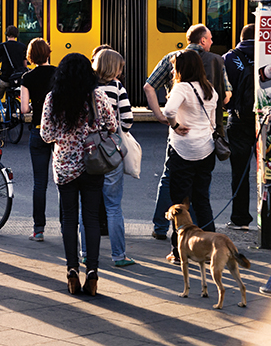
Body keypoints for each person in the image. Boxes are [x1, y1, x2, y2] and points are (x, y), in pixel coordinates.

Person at [144, 24, 231, 240]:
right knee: (202, 195)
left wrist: (166, 120)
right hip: (206, 144)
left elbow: (151, 88)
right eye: (210, 38)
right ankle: (206, 238)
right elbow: (226, 95)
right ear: (203, 40)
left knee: (174, 187)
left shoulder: (174, 62)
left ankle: (167, 233)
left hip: (182, 143)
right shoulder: (217, 63)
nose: (211, 42)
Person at [41, 53, 118, 296]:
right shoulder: (99, 96)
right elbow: (112, 126)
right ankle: (93, 272)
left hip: (65, 167)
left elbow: (46, 135)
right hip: (93, 164)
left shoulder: (53, 99)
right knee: (92, 219)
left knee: (68, 219)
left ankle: (72, 271)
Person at [79, 49, 136, 267]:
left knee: (87, 207)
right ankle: (119, 255)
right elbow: (128, 121)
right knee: (113, 206)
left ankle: (85, 252)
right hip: (110, 151)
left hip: (88, 151)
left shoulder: (85, 86)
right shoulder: (117, 88)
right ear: (115, 67)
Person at [162, 50, 218, 264]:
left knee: (179, 203)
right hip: (206, 149)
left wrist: (176, 125)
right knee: (202, 199)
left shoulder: (182, 87)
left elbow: (168, 110)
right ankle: (212, 247)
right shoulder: (210, 89)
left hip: (183, 150)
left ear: (181, 69)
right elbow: (211, 120)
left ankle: (178, 252)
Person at [19, 38, 56, 242]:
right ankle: (66, 225)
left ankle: (38, 230)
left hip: (38, 130)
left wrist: (35, 107)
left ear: (31, 56)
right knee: (62, 183)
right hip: (59, 133)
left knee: (39, 183)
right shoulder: (59, 72)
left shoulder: (27, 77)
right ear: (48, 52)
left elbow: (24, 108)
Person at [222, 24, 256, 230]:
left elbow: (222, 93)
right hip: (265, 120)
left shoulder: (228, 58)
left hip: (238, 119)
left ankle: (240, 219)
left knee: (240, 171)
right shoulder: (267, 56)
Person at [0, 25, 28, 130]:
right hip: (17, 80)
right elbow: (25, 65)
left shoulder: (2, 46)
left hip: (5, 79)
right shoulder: (22, 47)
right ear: (16, 35)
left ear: (6, 34)